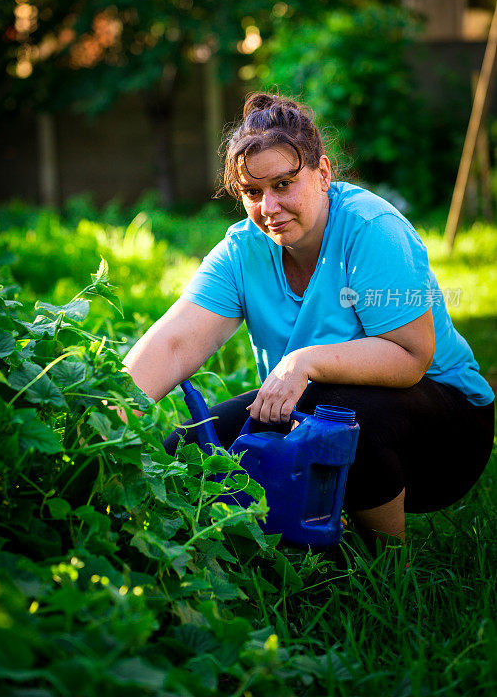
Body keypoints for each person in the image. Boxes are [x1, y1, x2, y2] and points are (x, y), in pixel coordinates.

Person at [123, 92, 495, 550]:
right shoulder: (243, 250)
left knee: (338, 411)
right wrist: (112, 416)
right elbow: (173, 344)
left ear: (322, 173)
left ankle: (385, 566)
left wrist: (304, 361)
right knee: (190, 449)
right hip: (320, 409)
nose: (269, 207)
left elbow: (411, 356)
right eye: (252, 193)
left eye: (283, 184)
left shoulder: (371, 228)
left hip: (447, 433)